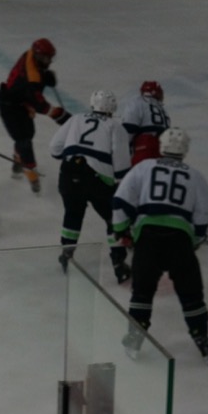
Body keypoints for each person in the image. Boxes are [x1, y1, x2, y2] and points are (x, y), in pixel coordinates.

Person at [111, 127, 208, 364]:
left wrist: (121, 229)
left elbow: (120, 201)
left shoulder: (144, 167)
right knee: (191, 293)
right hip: (179, 240)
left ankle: (134, 339)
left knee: (142, 292)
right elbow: (202, 216)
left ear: (161, 146)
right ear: (185, 150)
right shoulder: (196, 176)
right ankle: (201, 338)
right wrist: (195, 240)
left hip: (148, 238)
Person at [49, 89, 132, 283]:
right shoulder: (115, 126)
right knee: (113, 218)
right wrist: (120, 185)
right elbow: (121, 165)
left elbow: (54, 148)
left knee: (72, 214)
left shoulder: (76, 119)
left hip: (68, 172)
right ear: (112, 108)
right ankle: (119, 264)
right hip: (97, 178)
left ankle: (66, 255)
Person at [0, 38, 70, 193]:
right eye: (45, 58)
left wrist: (44, 76)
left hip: (20, 102)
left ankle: (18, 161)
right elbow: (40, 104)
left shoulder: (29, 54)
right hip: (9, 106)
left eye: (50, 58)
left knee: (28, 135)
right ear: (37, 56)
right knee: (24, 141)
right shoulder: (32, 79)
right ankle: (33, 179)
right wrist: (59, 115)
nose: (48, 61)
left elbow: (32, 86)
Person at [120, 80, 170, 165]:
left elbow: (129, 128)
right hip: (163, 151)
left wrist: (122, 150)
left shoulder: (137, 101)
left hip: (145, 147)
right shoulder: (163, 110)